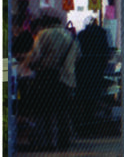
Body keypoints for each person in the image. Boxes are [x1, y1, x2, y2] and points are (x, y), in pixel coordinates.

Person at [24, 10, 81, 150]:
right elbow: (78, 55)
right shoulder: (70, 36)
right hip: (67, 79)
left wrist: (28, 64)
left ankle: (48, 143)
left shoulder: (44, 34)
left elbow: (35, 56)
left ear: (45, 24)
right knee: (62, 112)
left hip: (47, 77)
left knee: (45, 111)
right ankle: (63, 142)